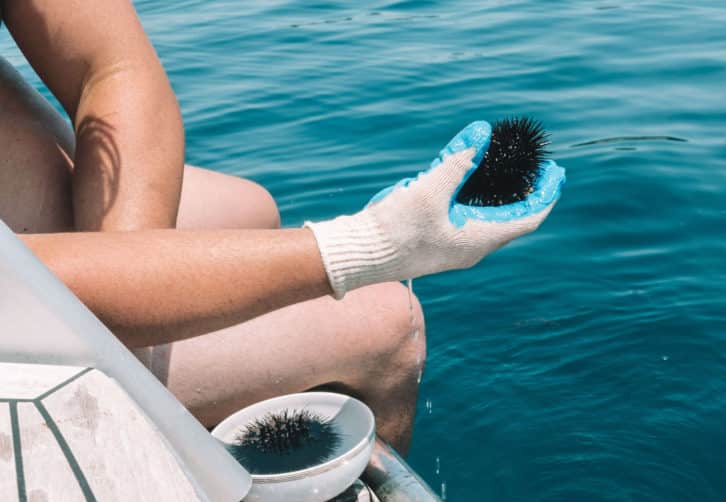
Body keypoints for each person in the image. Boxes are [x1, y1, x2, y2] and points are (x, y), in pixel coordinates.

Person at [0, 1, 563, 454]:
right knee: (391, 326)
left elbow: (113, 67)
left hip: (33, 232)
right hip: (15, 304)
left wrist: (137, 274)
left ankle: (165, 411)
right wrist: (363, 246)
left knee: (253, 209)